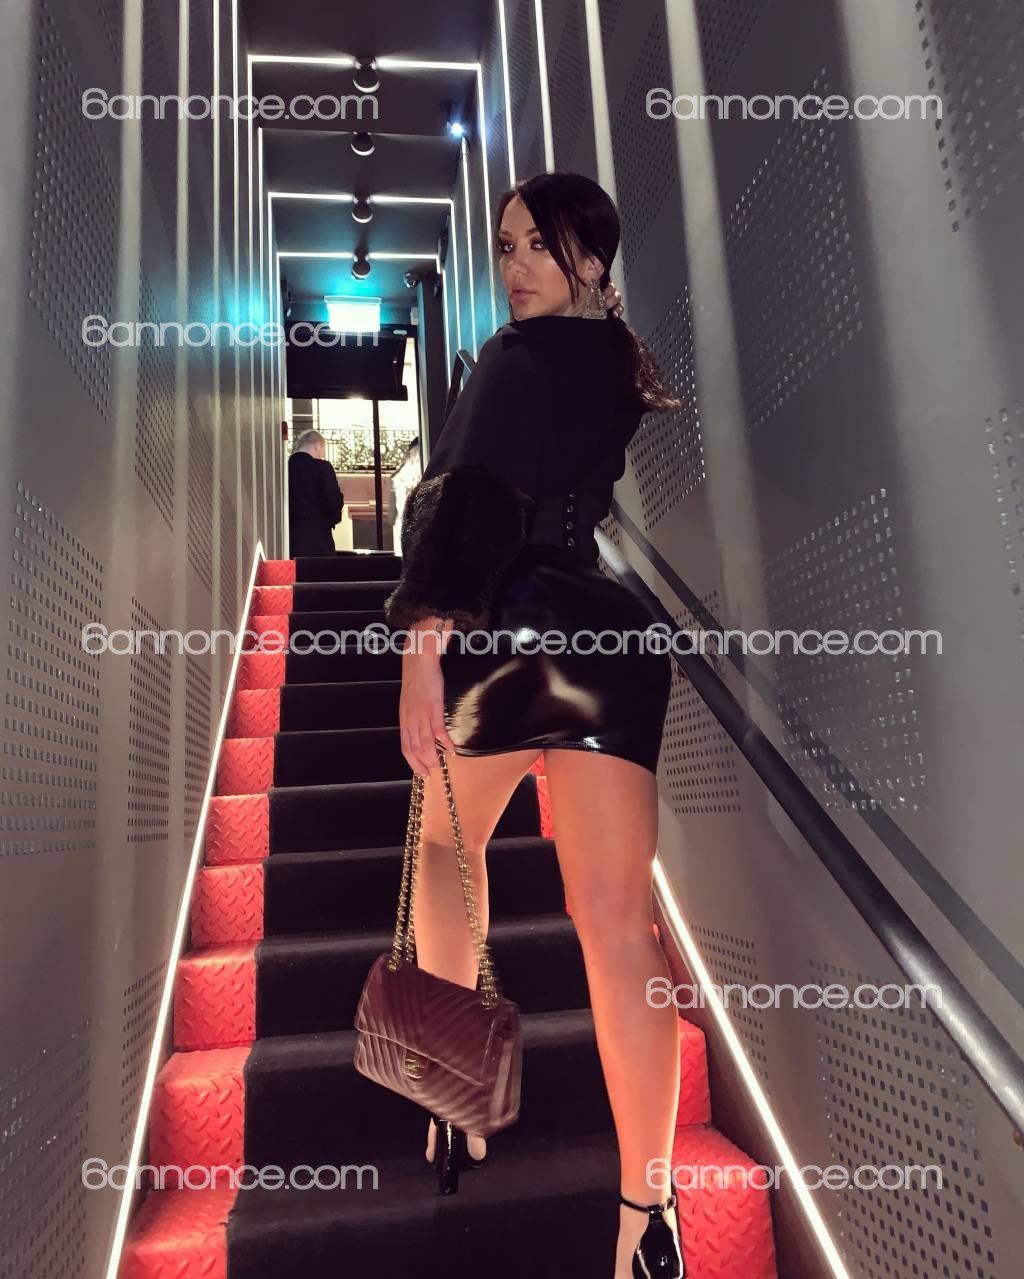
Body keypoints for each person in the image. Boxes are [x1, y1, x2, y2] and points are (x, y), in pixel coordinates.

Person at [382, 171, 685, 1279]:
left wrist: (422, 652)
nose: (512, 266)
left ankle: (457, 1094)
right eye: (505, 246)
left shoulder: (509, 358)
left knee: (443, 848)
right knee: (619, 930)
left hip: (505, 632)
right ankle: (649, 1210)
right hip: (610, 642)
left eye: (537, 247)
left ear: (589, 261)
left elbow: (465, 503)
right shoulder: (618, 362)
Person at [287, 428, 344, 556]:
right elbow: (332, 502)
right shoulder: (323, 468)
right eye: (323, 451)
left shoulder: (285, 468)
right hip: (318, 542)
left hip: (289, 542)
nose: (322, 456)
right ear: (317, 446)